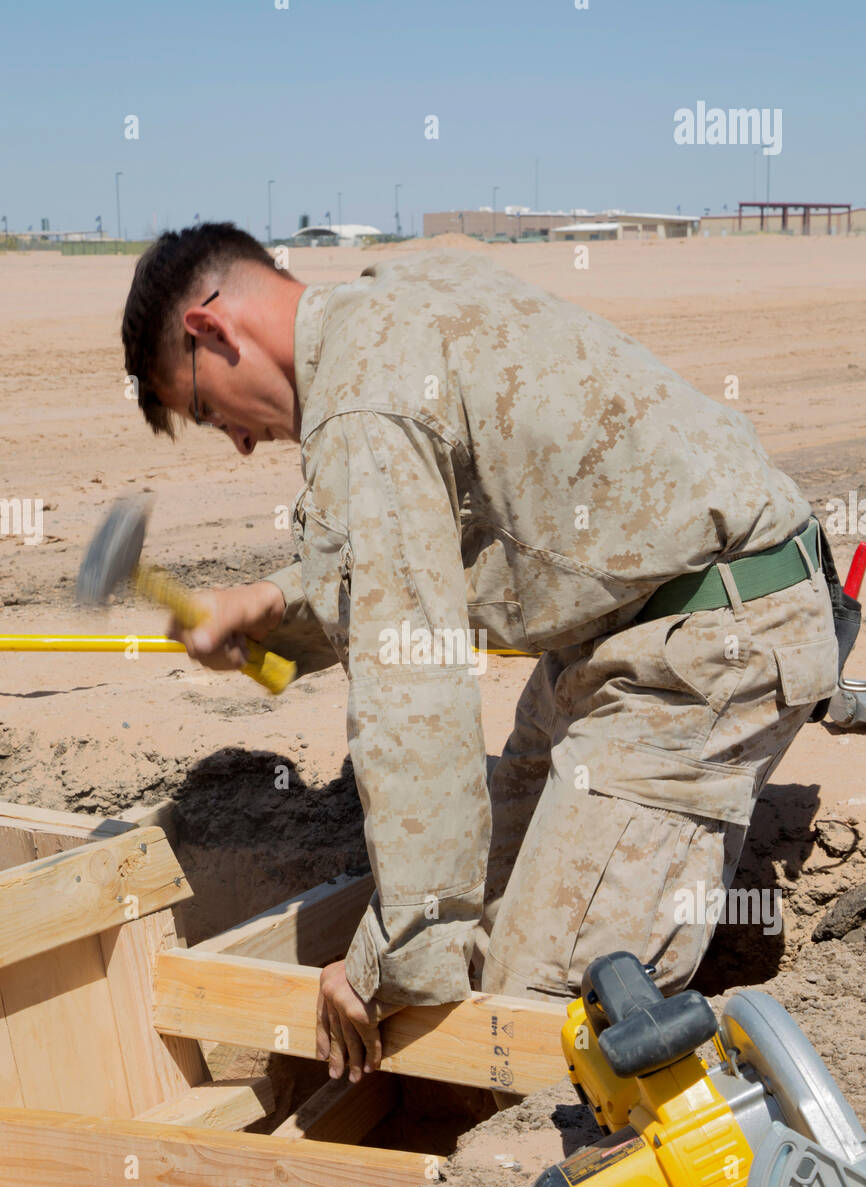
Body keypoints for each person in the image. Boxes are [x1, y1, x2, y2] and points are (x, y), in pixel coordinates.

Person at [121, 222, 839, 1093]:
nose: (235, 440)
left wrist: (391, 956)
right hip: (620, 629)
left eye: (204, 410)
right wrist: (279, 609)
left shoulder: (362, 405)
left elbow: (412, 690)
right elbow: (448, 540)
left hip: (705, 649)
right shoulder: (399, 298)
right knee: (487, 912)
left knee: (543, 1021)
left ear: (212, 330)